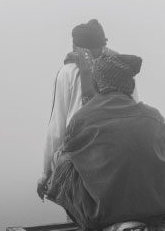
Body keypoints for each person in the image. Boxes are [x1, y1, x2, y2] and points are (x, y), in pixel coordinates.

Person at [46, 53, 165, 231]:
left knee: (61, 158)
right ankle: (156, 210)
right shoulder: (152, 115)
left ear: (97, 84)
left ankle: (99, 220)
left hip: (101, 216)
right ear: (130, 85)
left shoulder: (82, 117)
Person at [37, 19, 138, 199]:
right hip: (122, 153)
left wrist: (46, 172)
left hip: (81, 156)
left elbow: (57, 128)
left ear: (76, 46)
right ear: (103, 45)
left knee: (69, 185)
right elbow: (134, 110)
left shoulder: (67, 72)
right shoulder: (122, 70)